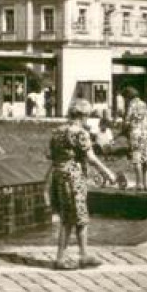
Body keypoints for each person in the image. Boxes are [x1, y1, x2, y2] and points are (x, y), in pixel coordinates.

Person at [48, 98, 116, 270]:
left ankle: (82, 254)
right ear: (83, 115)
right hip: (73, 177)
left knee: (71, 215)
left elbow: (50, 155)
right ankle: (63, 258)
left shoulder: (57, 131)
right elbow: (90, 157)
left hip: (59, 175)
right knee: (76, 216)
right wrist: (107, 172)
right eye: (88, 115)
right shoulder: (80, 133)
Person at [123, 87, 147, 191]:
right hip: (146, 134)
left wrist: (123, 130)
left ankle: (139, 184)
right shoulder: (144, 104)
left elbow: (127, 121)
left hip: (136, 134)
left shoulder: (131, 105)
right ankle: (146, 184)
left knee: (137, 159)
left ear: (128, 96)